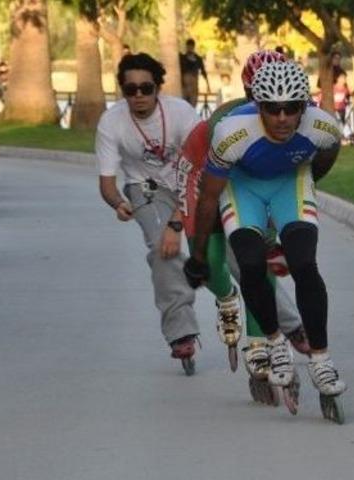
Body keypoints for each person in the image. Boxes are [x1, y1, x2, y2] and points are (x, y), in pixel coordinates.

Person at [184, 61, 347, 420]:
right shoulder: (231, 133)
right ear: (257, 105)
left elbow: (329, 153)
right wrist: (198, 256)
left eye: (293, 107)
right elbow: (209, 198)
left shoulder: (322, 126)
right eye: (273, 108)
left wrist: (306, 177)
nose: (283, 117)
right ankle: (275, 342)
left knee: (304, 264)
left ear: (305, 106)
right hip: (243, 190)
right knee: (252, 266)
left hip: (290, 183)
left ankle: (321, 358)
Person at [177, 50, 310, 403]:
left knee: (258, 263)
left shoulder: (295, 121)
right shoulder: (229, 122)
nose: (277, 112)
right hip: (202, 175)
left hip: (245, 180)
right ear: (250, 94)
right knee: (208, 257)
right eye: (263, 101)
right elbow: (210, 193)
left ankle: (260, 345)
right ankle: (225, 296)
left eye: (288, 104)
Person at [95, 53, 202, 374]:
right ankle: (181, 331)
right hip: (146, 189)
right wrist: (118, 203)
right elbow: (108, 183)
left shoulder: (181, 113)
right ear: (122, 91)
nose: (139, 96)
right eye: (131, 90)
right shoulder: (111, 122)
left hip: (191, 183)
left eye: (146, 88)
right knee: (162, 248)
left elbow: (202, 169)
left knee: (233, 252)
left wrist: (178, 221)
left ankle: (289, 323)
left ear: (159, 88)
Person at [179, 39, 210, 108]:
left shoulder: (198, 59)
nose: (189, 48)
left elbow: (203, 71)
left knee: (193, 105)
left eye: (191, 46)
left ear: (193, 47)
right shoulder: (182, 58)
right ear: (186, 47)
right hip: (184, 85)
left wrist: (208, 85)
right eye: (188, 46)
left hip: (194, 85)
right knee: (184, 105)